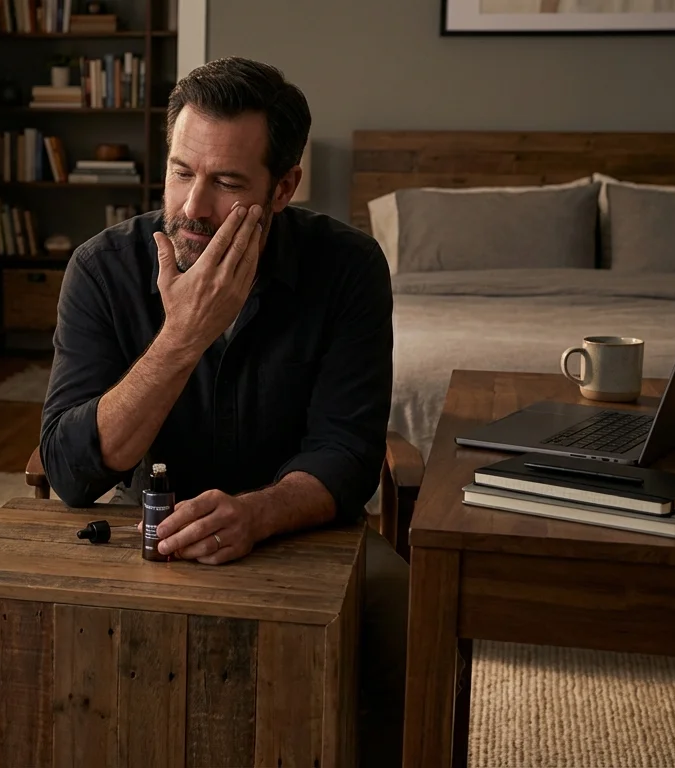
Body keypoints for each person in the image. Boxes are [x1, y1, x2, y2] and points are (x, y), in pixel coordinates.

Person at [38, 56, 406, 764]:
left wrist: (257, 514)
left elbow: (347, 453)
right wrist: (182, 337)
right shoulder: (102, 268)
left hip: (303, 542)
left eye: (228, 183)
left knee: (397, 635)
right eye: (182, 171)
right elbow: (72, 471)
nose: (193, 207)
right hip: (151, 539)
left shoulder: (349, 268)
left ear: (283, 187)